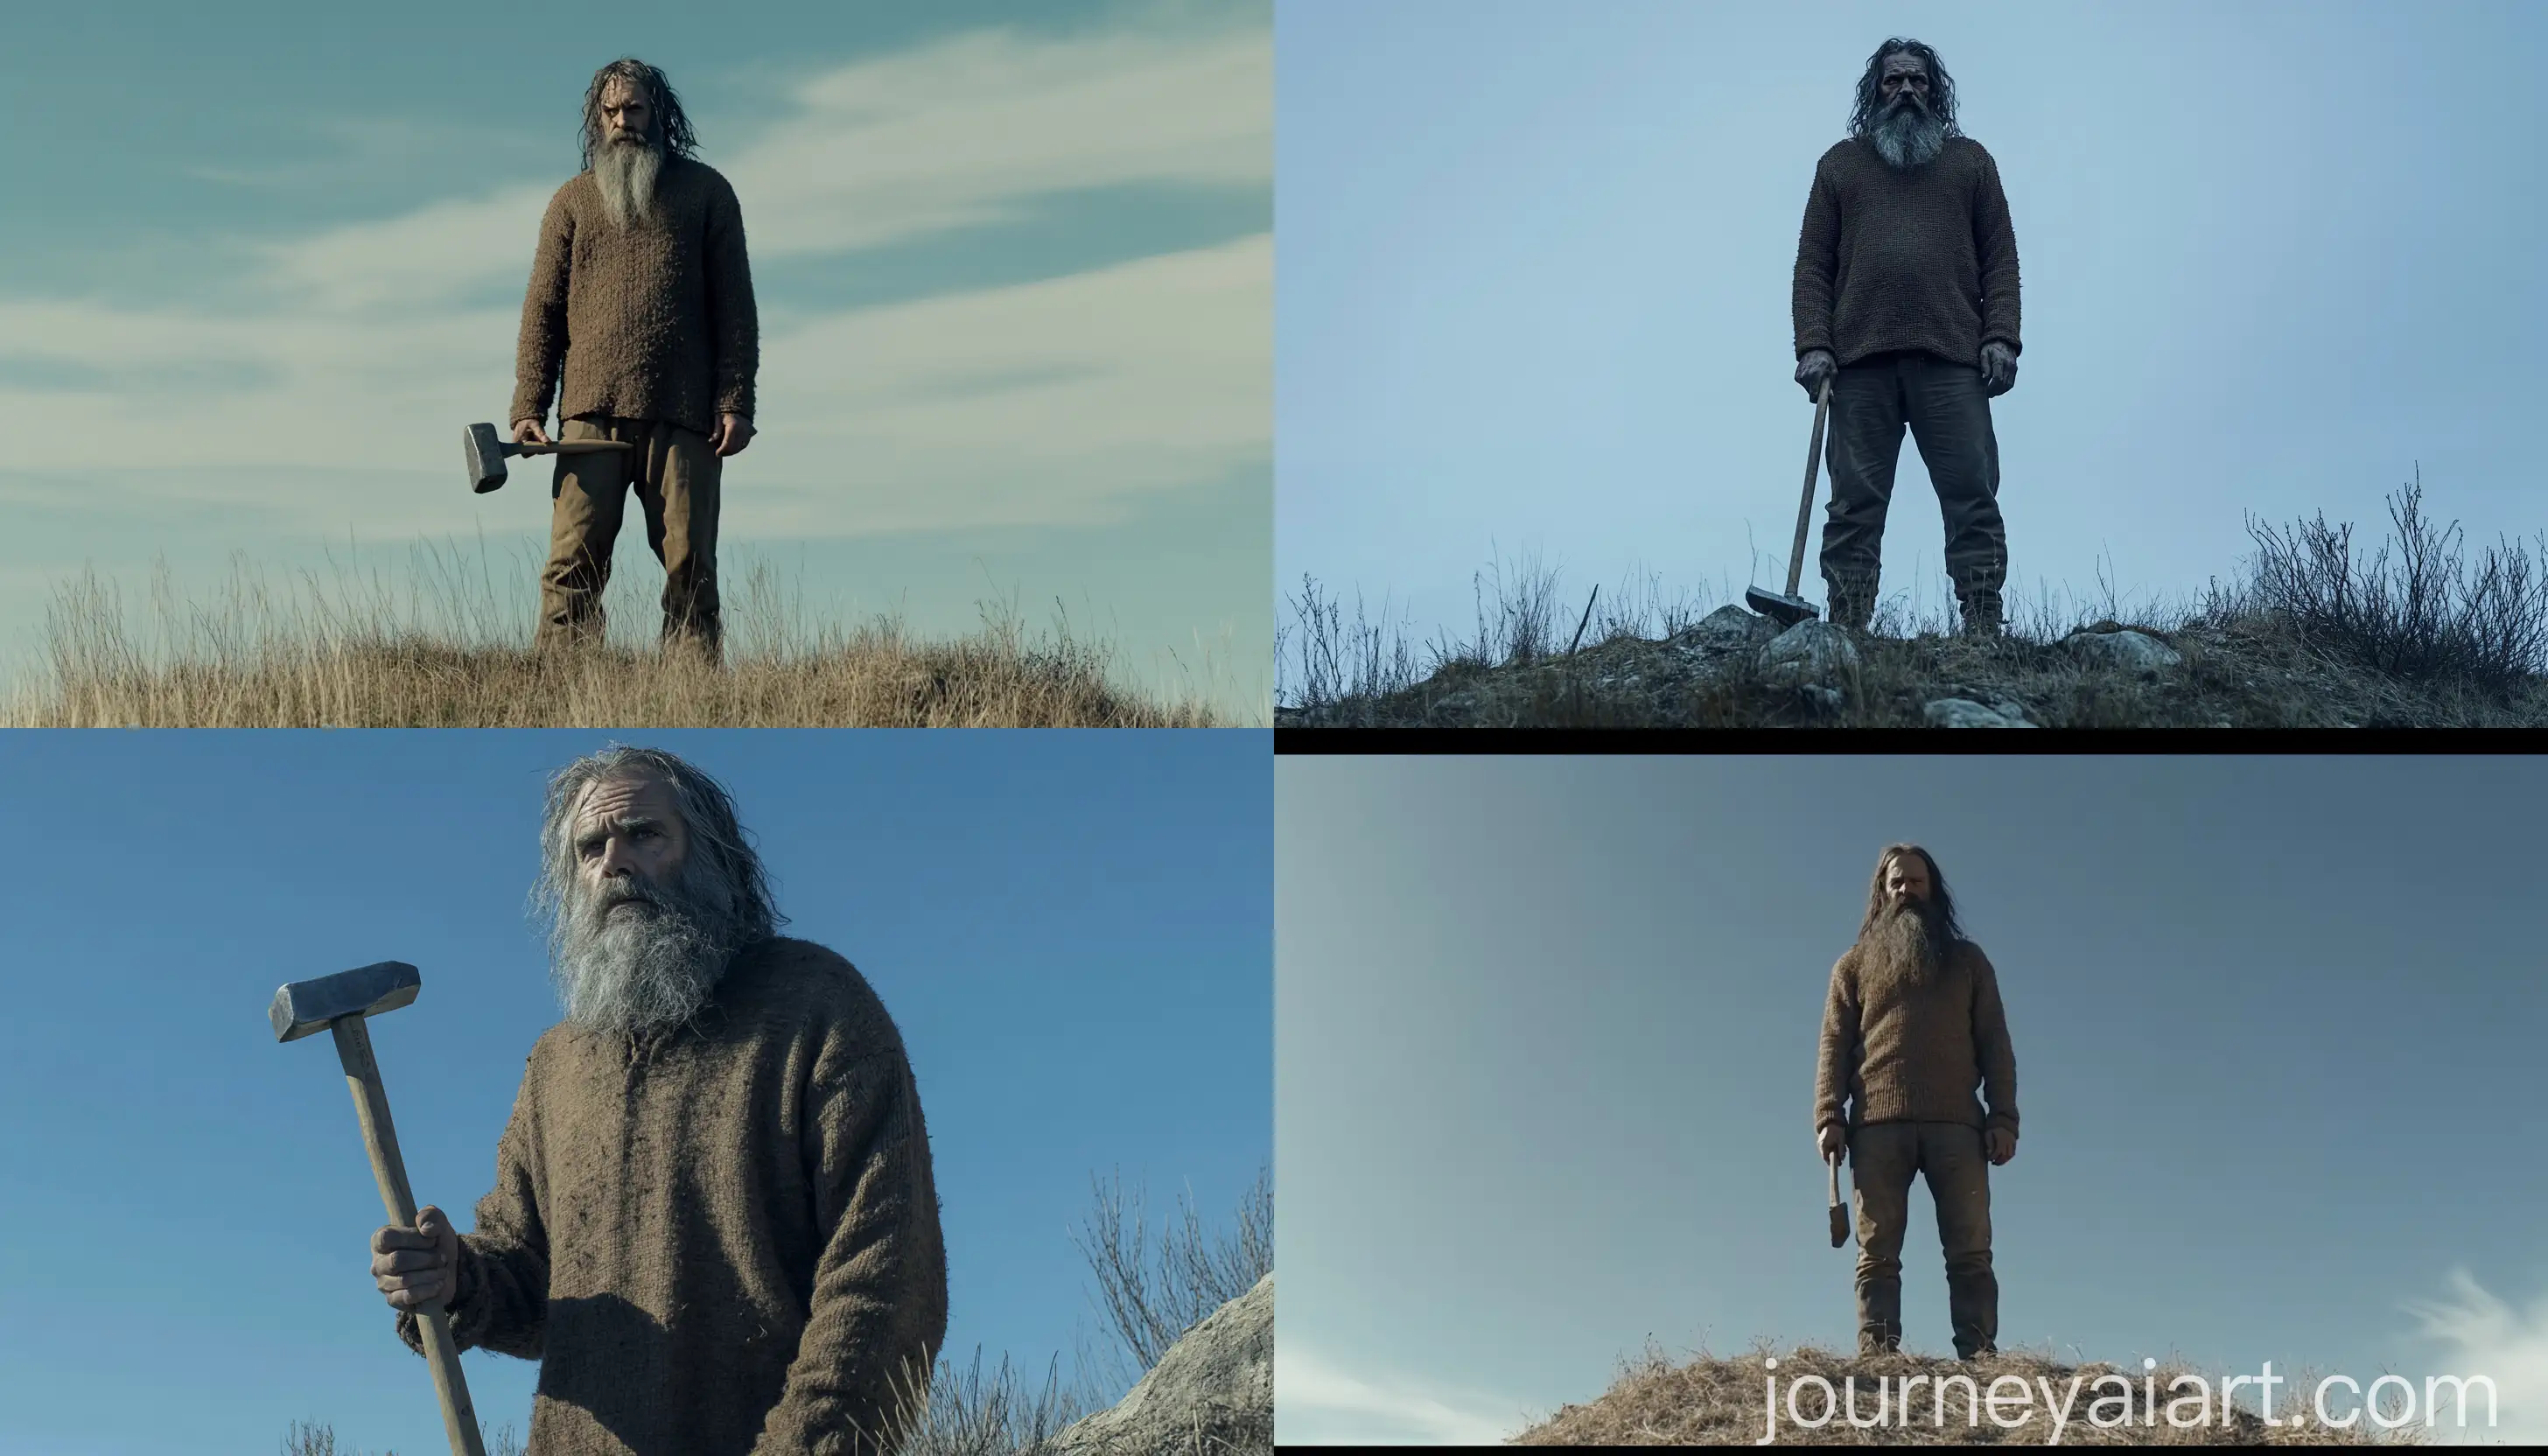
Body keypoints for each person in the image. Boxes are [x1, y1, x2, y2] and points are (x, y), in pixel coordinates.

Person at [368, 746, 945, 1454]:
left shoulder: (815, 1007)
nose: (615, 863)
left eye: (644, 835)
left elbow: (883, 1275)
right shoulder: (558, 1063)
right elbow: (532, 1275)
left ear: (714, 859)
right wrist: (457, 1279)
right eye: (591, 847)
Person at [514, 59, 760, 660]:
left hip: (684, 412)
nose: (623, 120)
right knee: (571, 565)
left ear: (659, 113)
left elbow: (735, 310)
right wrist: (528, 405)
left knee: (690, 565)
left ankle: (691, 691)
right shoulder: (571, 202)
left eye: (635, 109)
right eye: (612, 111)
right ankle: (562, 690)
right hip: (589, 414)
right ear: (597, 118)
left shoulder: (707, 194)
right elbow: (542, 309)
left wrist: (736, 402)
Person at [1791, 38, 2022, 638]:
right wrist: (1814, 343)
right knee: (1852, 508)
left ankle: (1982, 625)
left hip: (1952, 360)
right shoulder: (1840, 166)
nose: (1907, 92)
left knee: (1972, 497)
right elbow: (1813, 263)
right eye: (1894, 82)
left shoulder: (1971, 163)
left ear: (1935, 91)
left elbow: (2000, 257)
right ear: (1876, 92)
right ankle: (1847, 625)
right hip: (1861, 362)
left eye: (1918, 82)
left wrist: (2001, 336)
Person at [1812, 844, 2019, 1359]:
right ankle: (1878, 1358)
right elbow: (1834, 1045)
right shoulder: (1852, 966)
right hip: (1877, 1128)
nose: (1907, 891)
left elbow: (1995, 1043)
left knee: (1971, 1252)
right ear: (1882, 895)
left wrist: (2004, 1118)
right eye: (1897, 883)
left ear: (1934, 890)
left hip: (1958, 1127)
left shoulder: (1969, 962)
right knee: (1876, 1254)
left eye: (1916, 882)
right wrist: (1829, 1115)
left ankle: (1979, 1359)